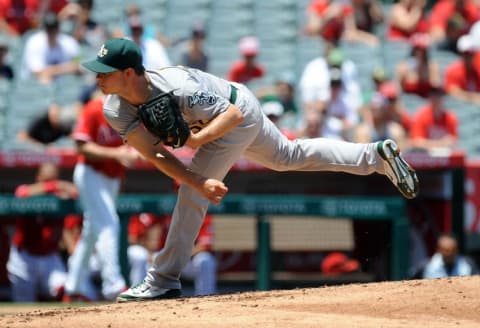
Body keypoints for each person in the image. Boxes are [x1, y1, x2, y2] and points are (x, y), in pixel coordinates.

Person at [81, 38, 419, 302]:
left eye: (104, 70)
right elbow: (155, 156)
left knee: (190, 195)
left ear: (128, 72)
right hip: (220, 117)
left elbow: (233, 116)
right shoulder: (113, 107)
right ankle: (375, 156)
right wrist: (199, 179)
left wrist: (197, 143)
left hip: (234, 111)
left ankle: (162, 280)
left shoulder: (177, 87)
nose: (97, 76)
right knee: (289, 155)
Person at [63, 90, 140, 301]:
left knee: (91, 232)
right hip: (91, 173)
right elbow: (81, 146)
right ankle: (113, 286)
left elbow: (130, 145)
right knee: (109, 224)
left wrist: (132, 153)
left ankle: (72, 288)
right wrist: (116, 154)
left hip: (112, 177)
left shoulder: (125, 111)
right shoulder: (94, 108)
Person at [7, 162, 78, 302]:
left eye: (53, 180)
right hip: (24, 258)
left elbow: (78, 192)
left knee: (64, 289)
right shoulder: (27, 190)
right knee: (23, 305)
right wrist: (54, 186)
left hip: (50, 257)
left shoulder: (61, 196)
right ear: (38, 178)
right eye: (46, 181)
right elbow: (20, 193)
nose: (51, 185)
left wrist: (63, 188)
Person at [128, 212, 217, 296]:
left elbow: (205, 245)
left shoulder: (201, 211)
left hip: (188, 260)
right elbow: (138, 234)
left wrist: (180, 254)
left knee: (206, 260)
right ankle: (140, 300)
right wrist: (149, 250)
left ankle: (206, 297)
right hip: (166, 257)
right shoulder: (168, 209)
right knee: (145, 260)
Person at [19, 11, 82, 84]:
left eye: (54, 28)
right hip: (34, 86)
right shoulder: (34, 42)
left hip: (63, 85)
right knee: (44, 80)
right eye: (49, 29)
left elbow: (78, 66)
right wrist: (67, 68)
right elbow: (37, 72)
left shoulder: (70, 43)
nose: (52, 32)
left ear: (58, 28)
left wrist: (51, 71)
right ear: (44, 29)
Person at [409, 86, 458, 151]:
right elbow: (416, 142)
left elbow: (453, 141)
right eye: (433, 95)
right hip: (426, 155)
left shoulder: (450, 117)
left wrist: (428, 144)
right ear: (429, 97)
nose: (436, 98)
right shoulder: (421, 116)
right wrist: (441, 143)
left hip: (444, 154)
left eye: (438, 95)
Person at [395, 33, 441, 98]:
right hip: (409, 102)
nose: (420, 52)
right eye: (417, 49)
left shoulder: (432, 66)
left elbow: (436, 87)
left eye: (423, 50)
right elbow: (398, 90)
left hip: (427, 101)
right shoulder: (403, 66)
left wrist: (426, 73)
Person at [443, 34, 480, 104]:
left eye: (471, 54)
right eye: (465, 54)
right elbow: (454, 94)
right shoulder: (453, 71)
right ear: (460, 54)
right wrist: (475, 98)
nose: (468, 57)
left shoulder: (477, 68)